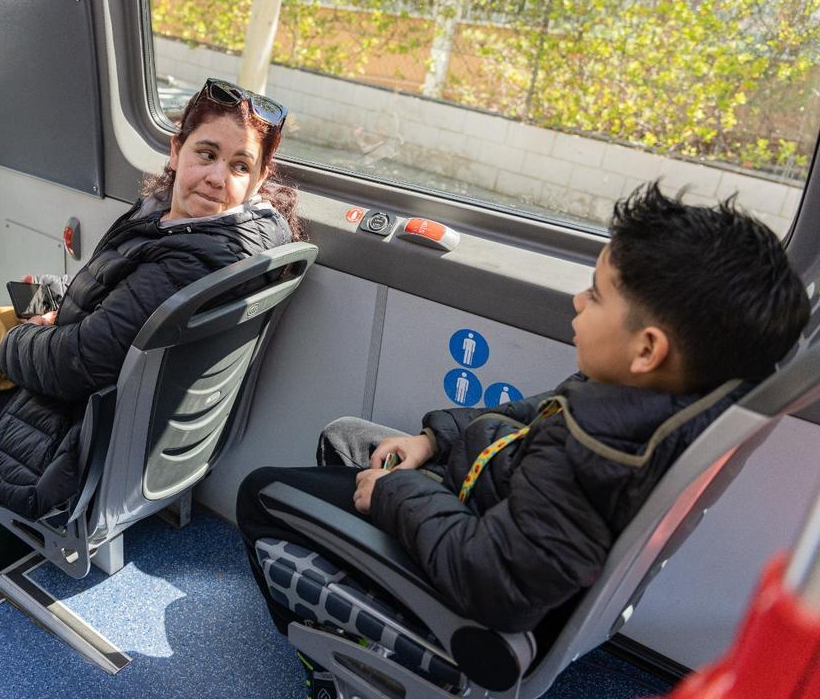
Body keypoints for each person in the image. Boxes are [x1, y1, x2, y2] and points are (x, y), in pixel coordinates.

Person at [237, 183, 810, 648]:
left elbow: (496, 585)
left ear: (647, 349)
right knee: (348, 440)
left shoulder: (596, 454)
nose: (578, 302)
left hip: (474, 569)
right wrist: (434, 441)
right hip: (483, 498)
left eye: (597, 295)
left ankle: (341, 656)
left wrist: (396, 493)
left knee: (263, 493)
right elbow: (532, 415)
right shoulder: (645, 400)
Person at [0, 78, 301, 604]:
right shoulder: (245, 238)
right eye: (207, 153)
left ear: (257, 181)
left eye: (239, 166)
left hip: (84, 449)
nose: (216, 177)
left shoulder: (190, 255)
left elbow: (78, 365)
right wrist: (64, 305)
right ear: (176, 149)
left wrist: (10, 345)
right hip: (145, 440)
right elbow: (120, 311)